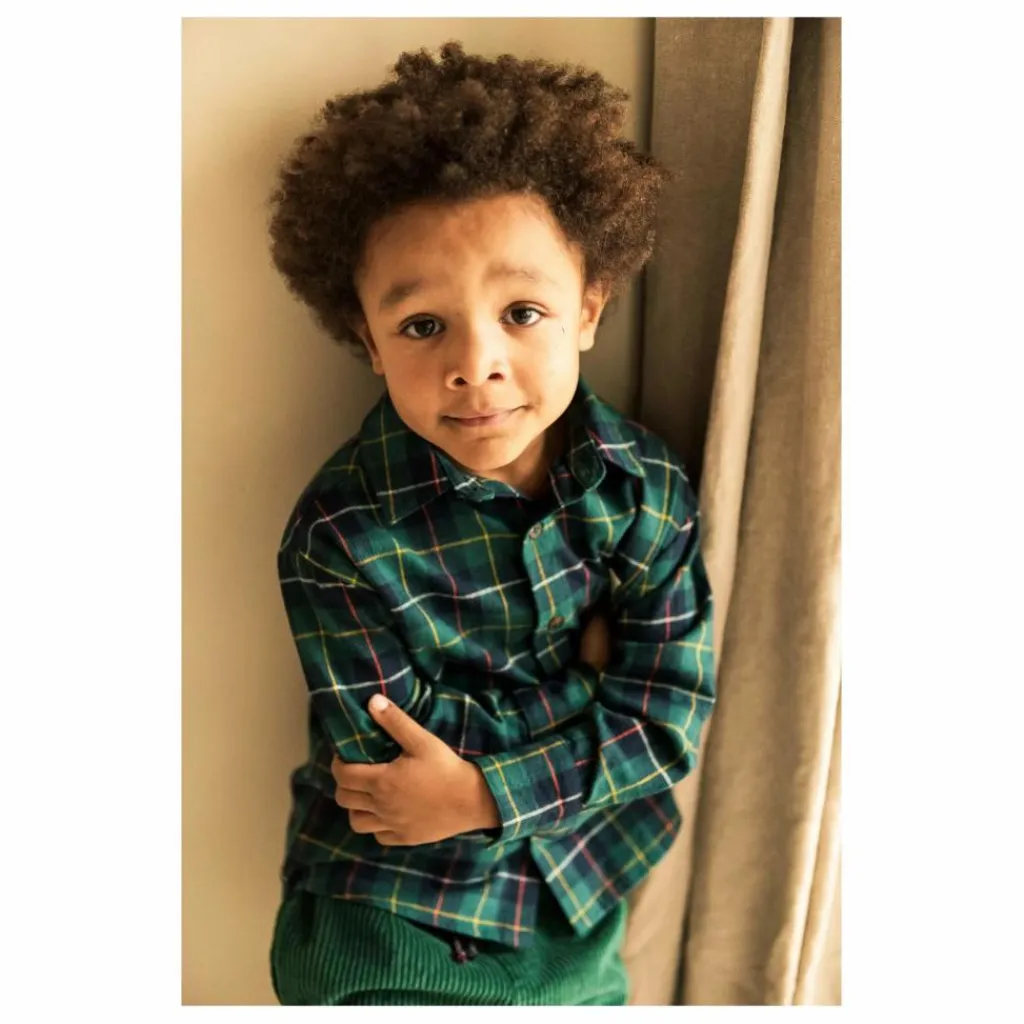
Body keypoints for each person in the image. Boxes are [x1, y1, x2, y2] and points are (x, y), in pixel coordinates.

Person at [266, 40, 716, 1005]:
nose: (476, 364)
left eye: (522, 312)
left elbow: (669, 720)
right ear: (368, 340)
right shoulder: (338, 538)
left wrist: (479, 790)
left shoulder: (646, 491)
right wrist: (589, 688)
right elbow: (390, 771)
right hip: (391, 909)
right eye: (424, 325)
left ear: (588, 308)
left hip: (578, 888)